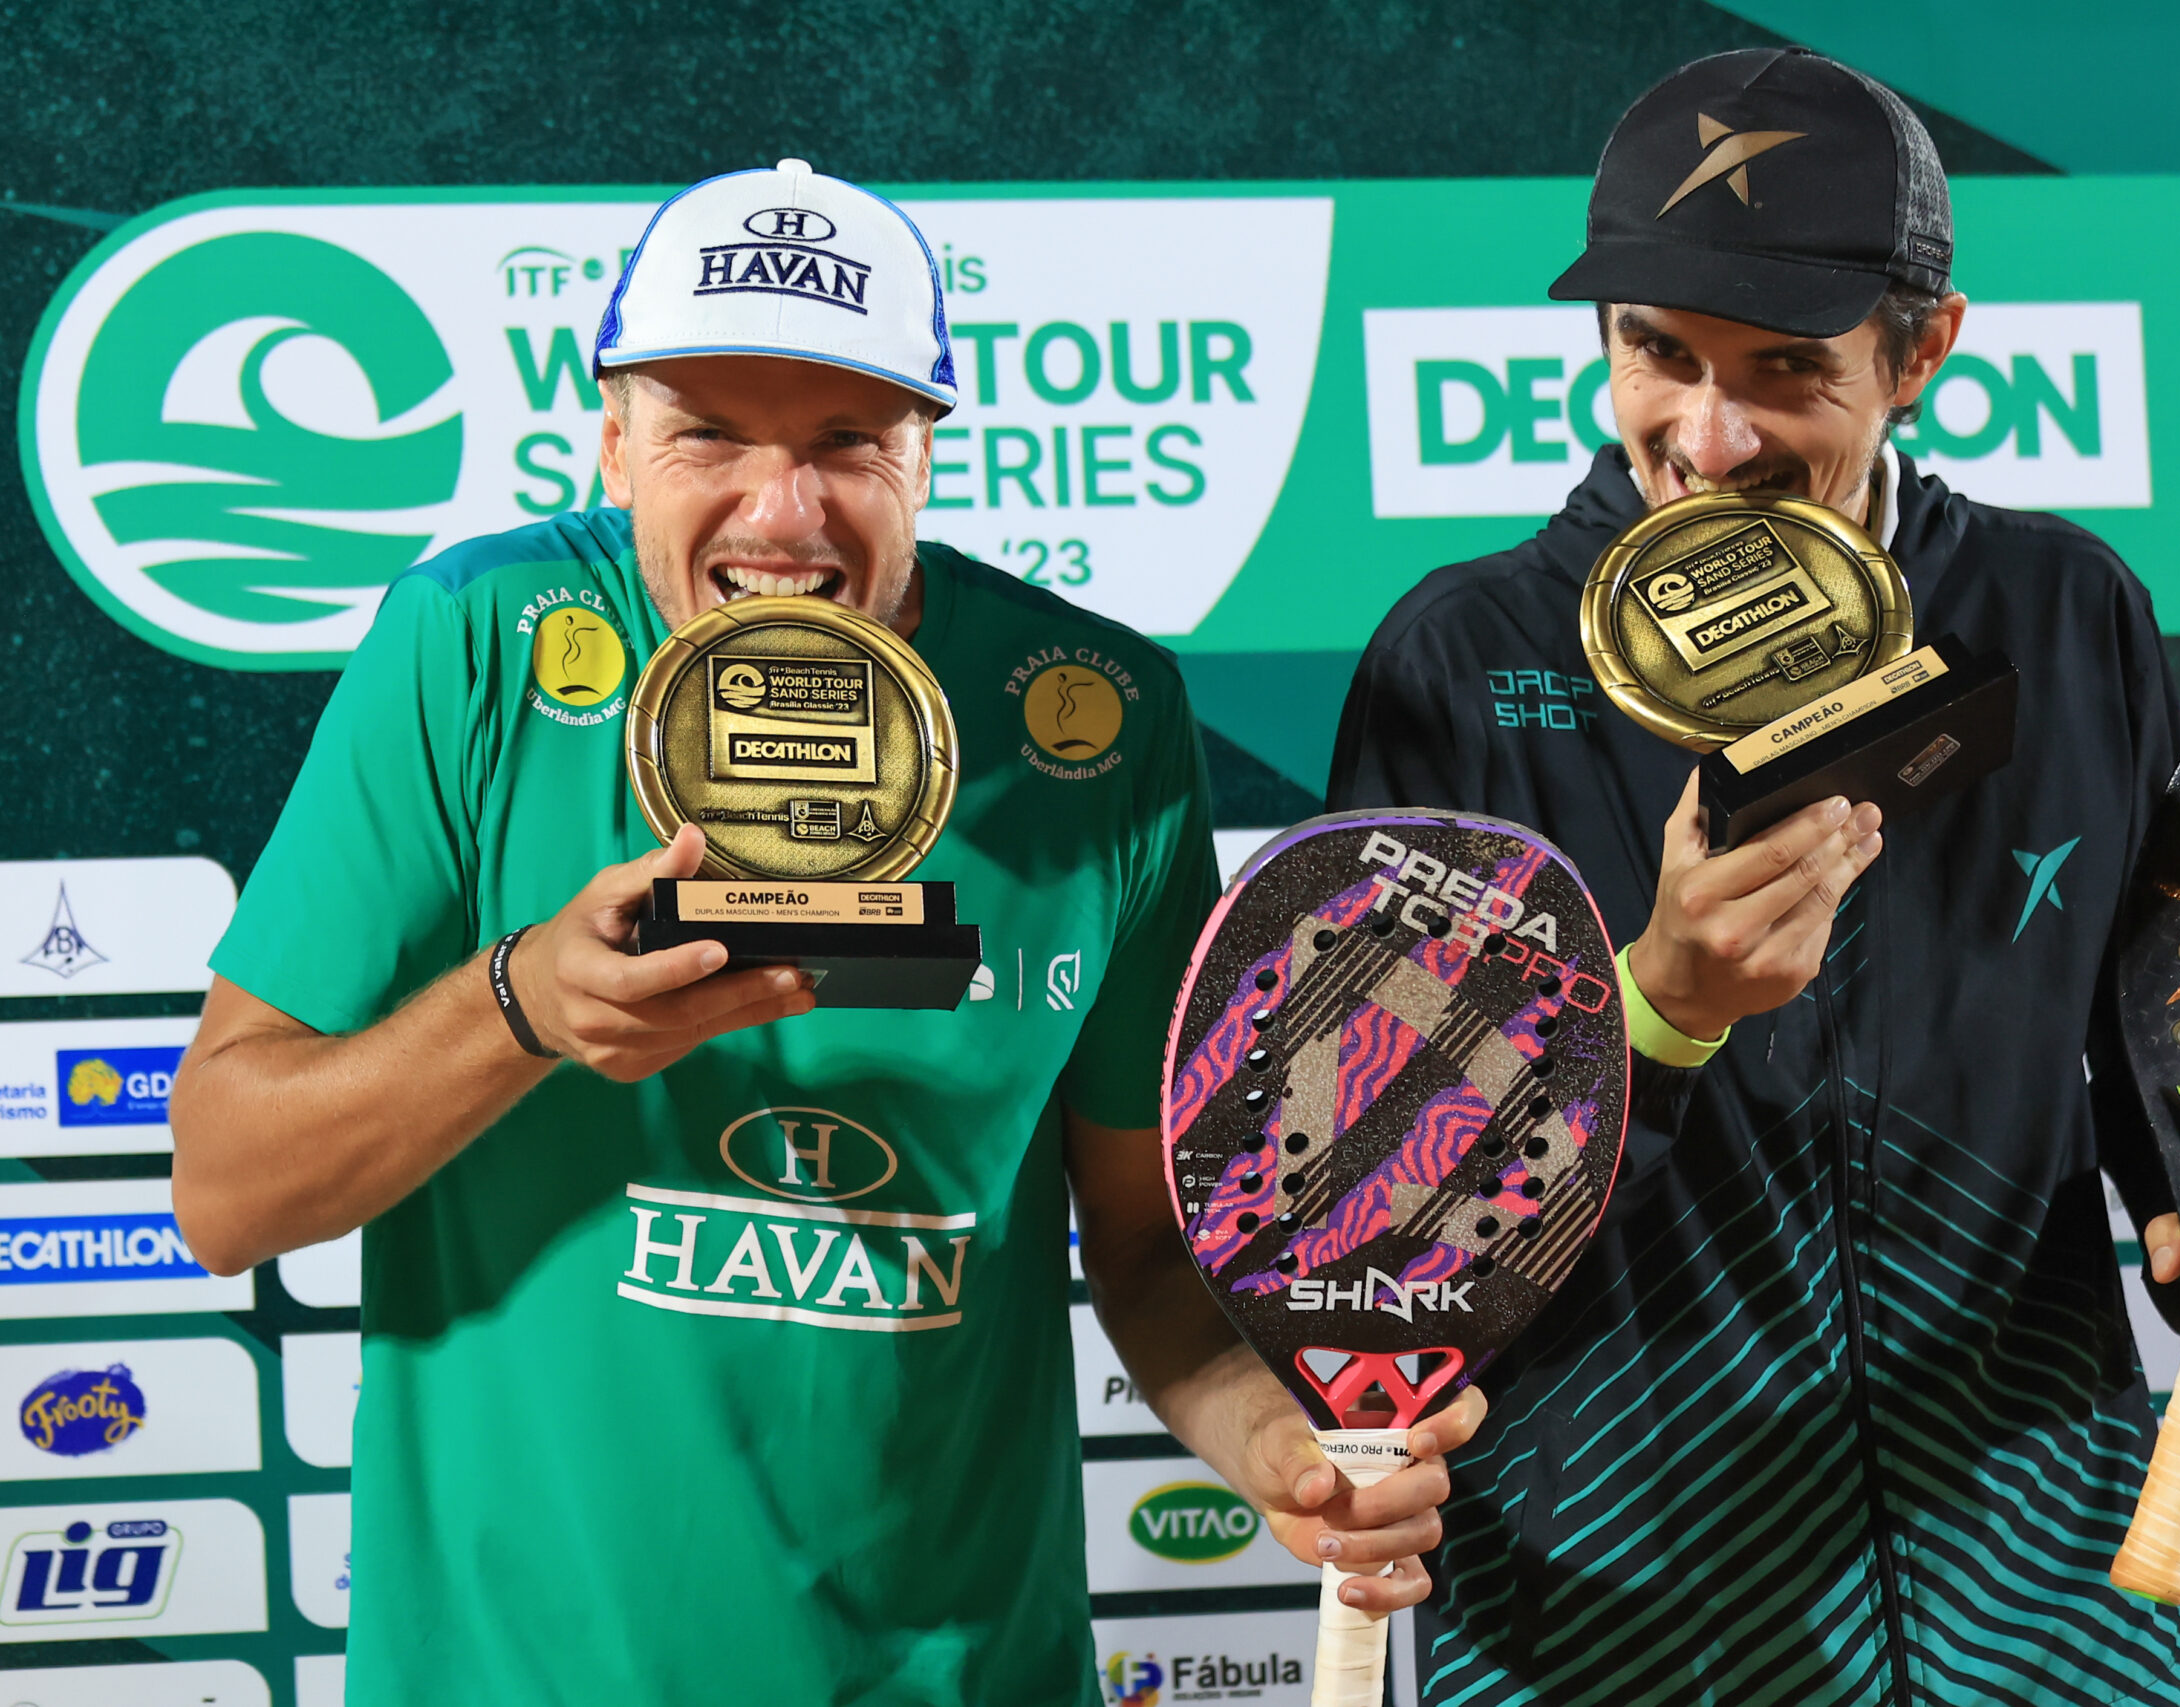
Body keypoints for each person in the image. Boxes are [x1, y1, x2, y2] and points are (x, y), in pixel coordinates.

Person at [169, 160, 1478, 1706]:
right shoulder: (474, 646)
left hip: (959, 1677)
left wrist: (1271, 1438)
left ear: (926, 451)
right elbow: (226, 1189)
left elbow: (1139, 1233)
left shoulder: (1096, 718)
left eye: (848, 442)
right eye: (708, 432)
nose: (780, 514)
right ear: (612, 440)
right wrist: (522, 1006)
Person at [1328, 50, 2180, 1705]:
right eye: (1657, 354)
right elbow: (1378, 1206)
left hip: (2040, 1599)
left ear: (1921, 353)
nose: (1710, 433)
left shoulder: (2065, 614)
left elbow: (2154, 1063)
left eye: (1785, 369)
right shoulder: (1462, 662)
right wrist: (1653, 1015)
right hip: (1615, 1609)